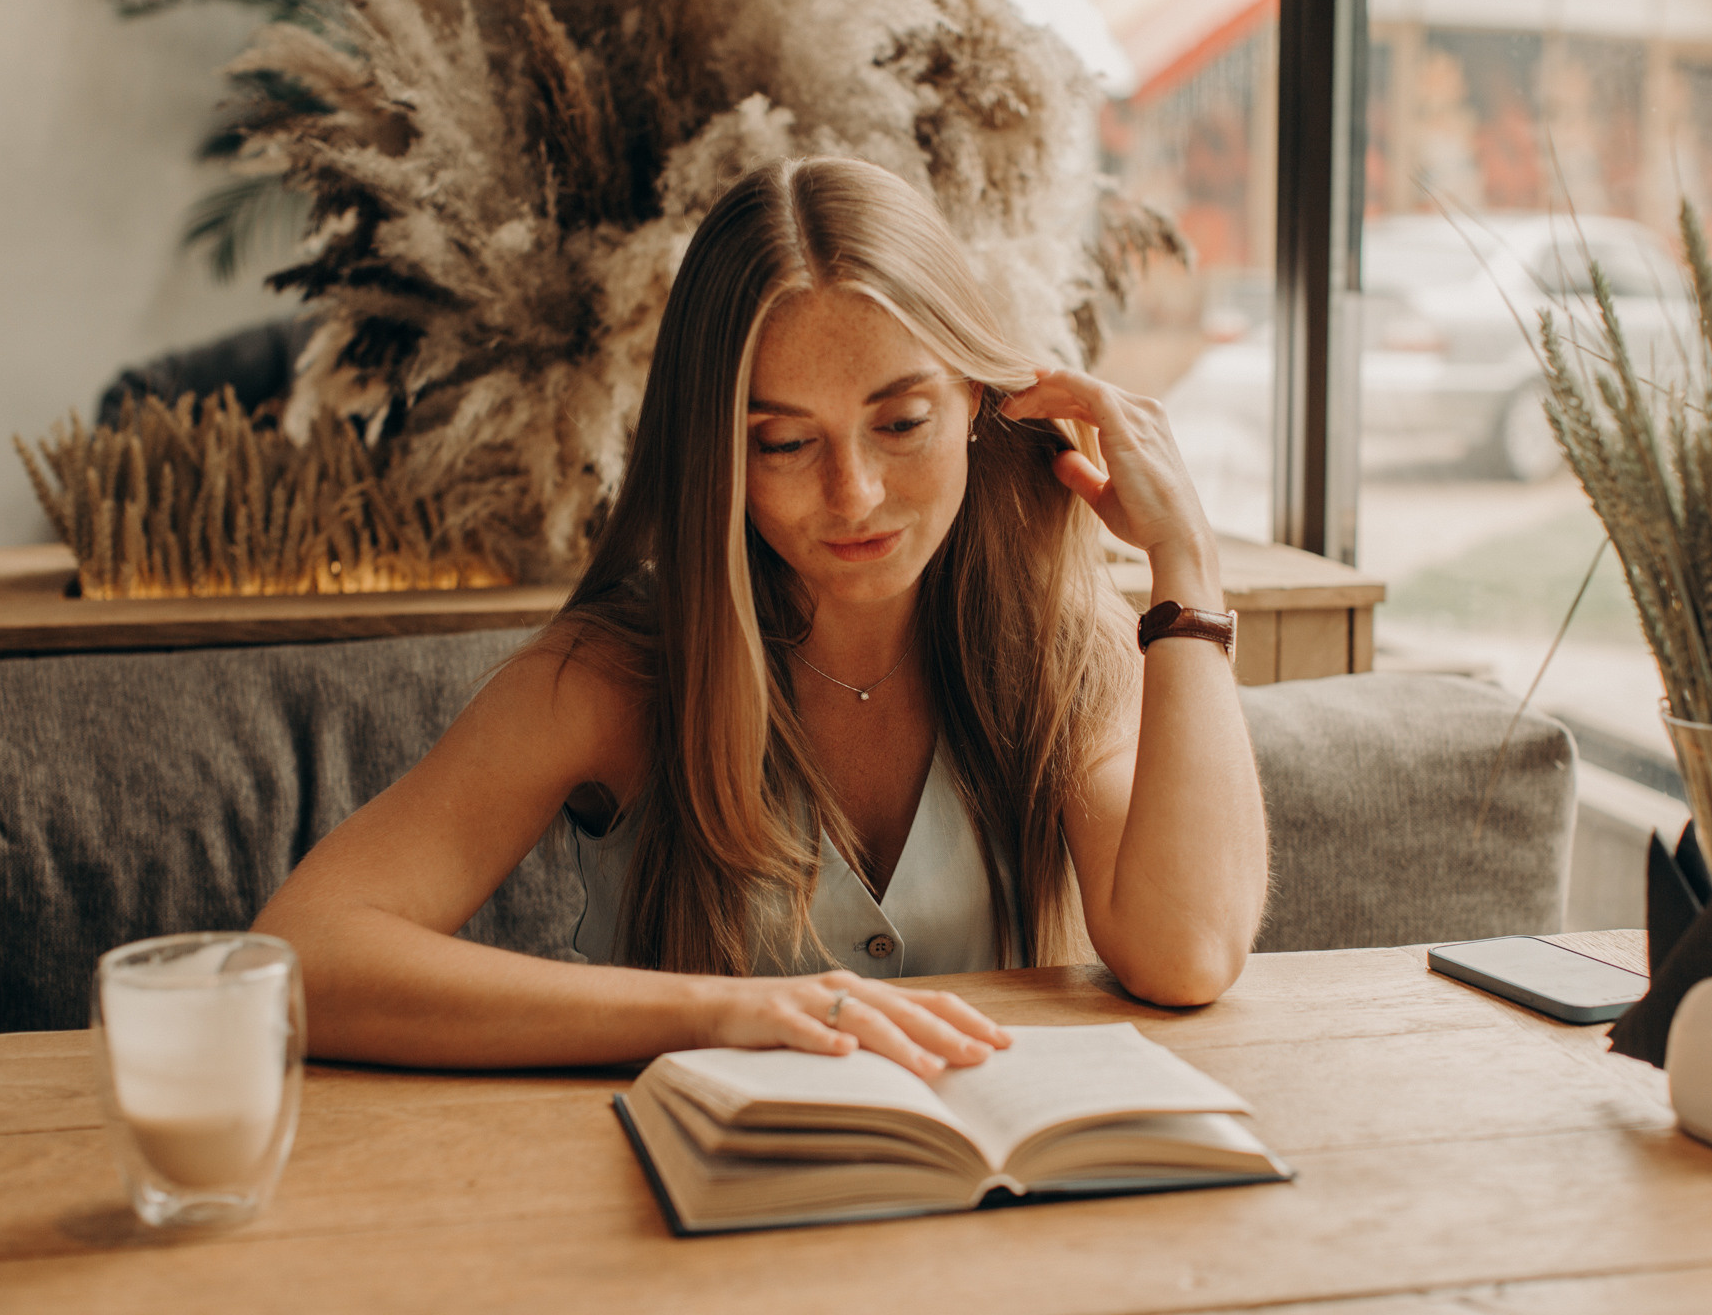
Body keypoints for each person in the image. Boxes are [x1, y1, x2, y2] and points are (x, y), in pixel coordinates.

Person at [252, 156, 1268, 1077]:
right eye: (784, 443)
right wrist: (723, 1012)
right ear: (717, 455)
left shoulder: (1056, 641)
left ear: (979, 400)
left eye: (902, 423)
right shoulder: (616, 673)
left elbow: (1187, 955)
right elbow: (305, 956)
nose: (855, 492)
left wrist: (1187, 565)